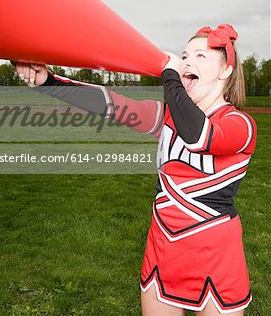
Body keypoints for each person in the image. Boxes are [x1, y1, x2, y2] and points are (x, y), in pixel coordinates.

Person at [15, 24, 257, 315]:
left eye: (200, 56)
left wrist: (171, 75)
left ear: (226, 70)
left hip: (215, 253)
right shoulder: (165, 117)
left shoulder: (240, 125)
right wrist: (48, 82)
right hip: (163, 245)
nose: (186, 62)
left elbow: (198, 135)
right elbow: (110, 104)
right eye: (184, 55)